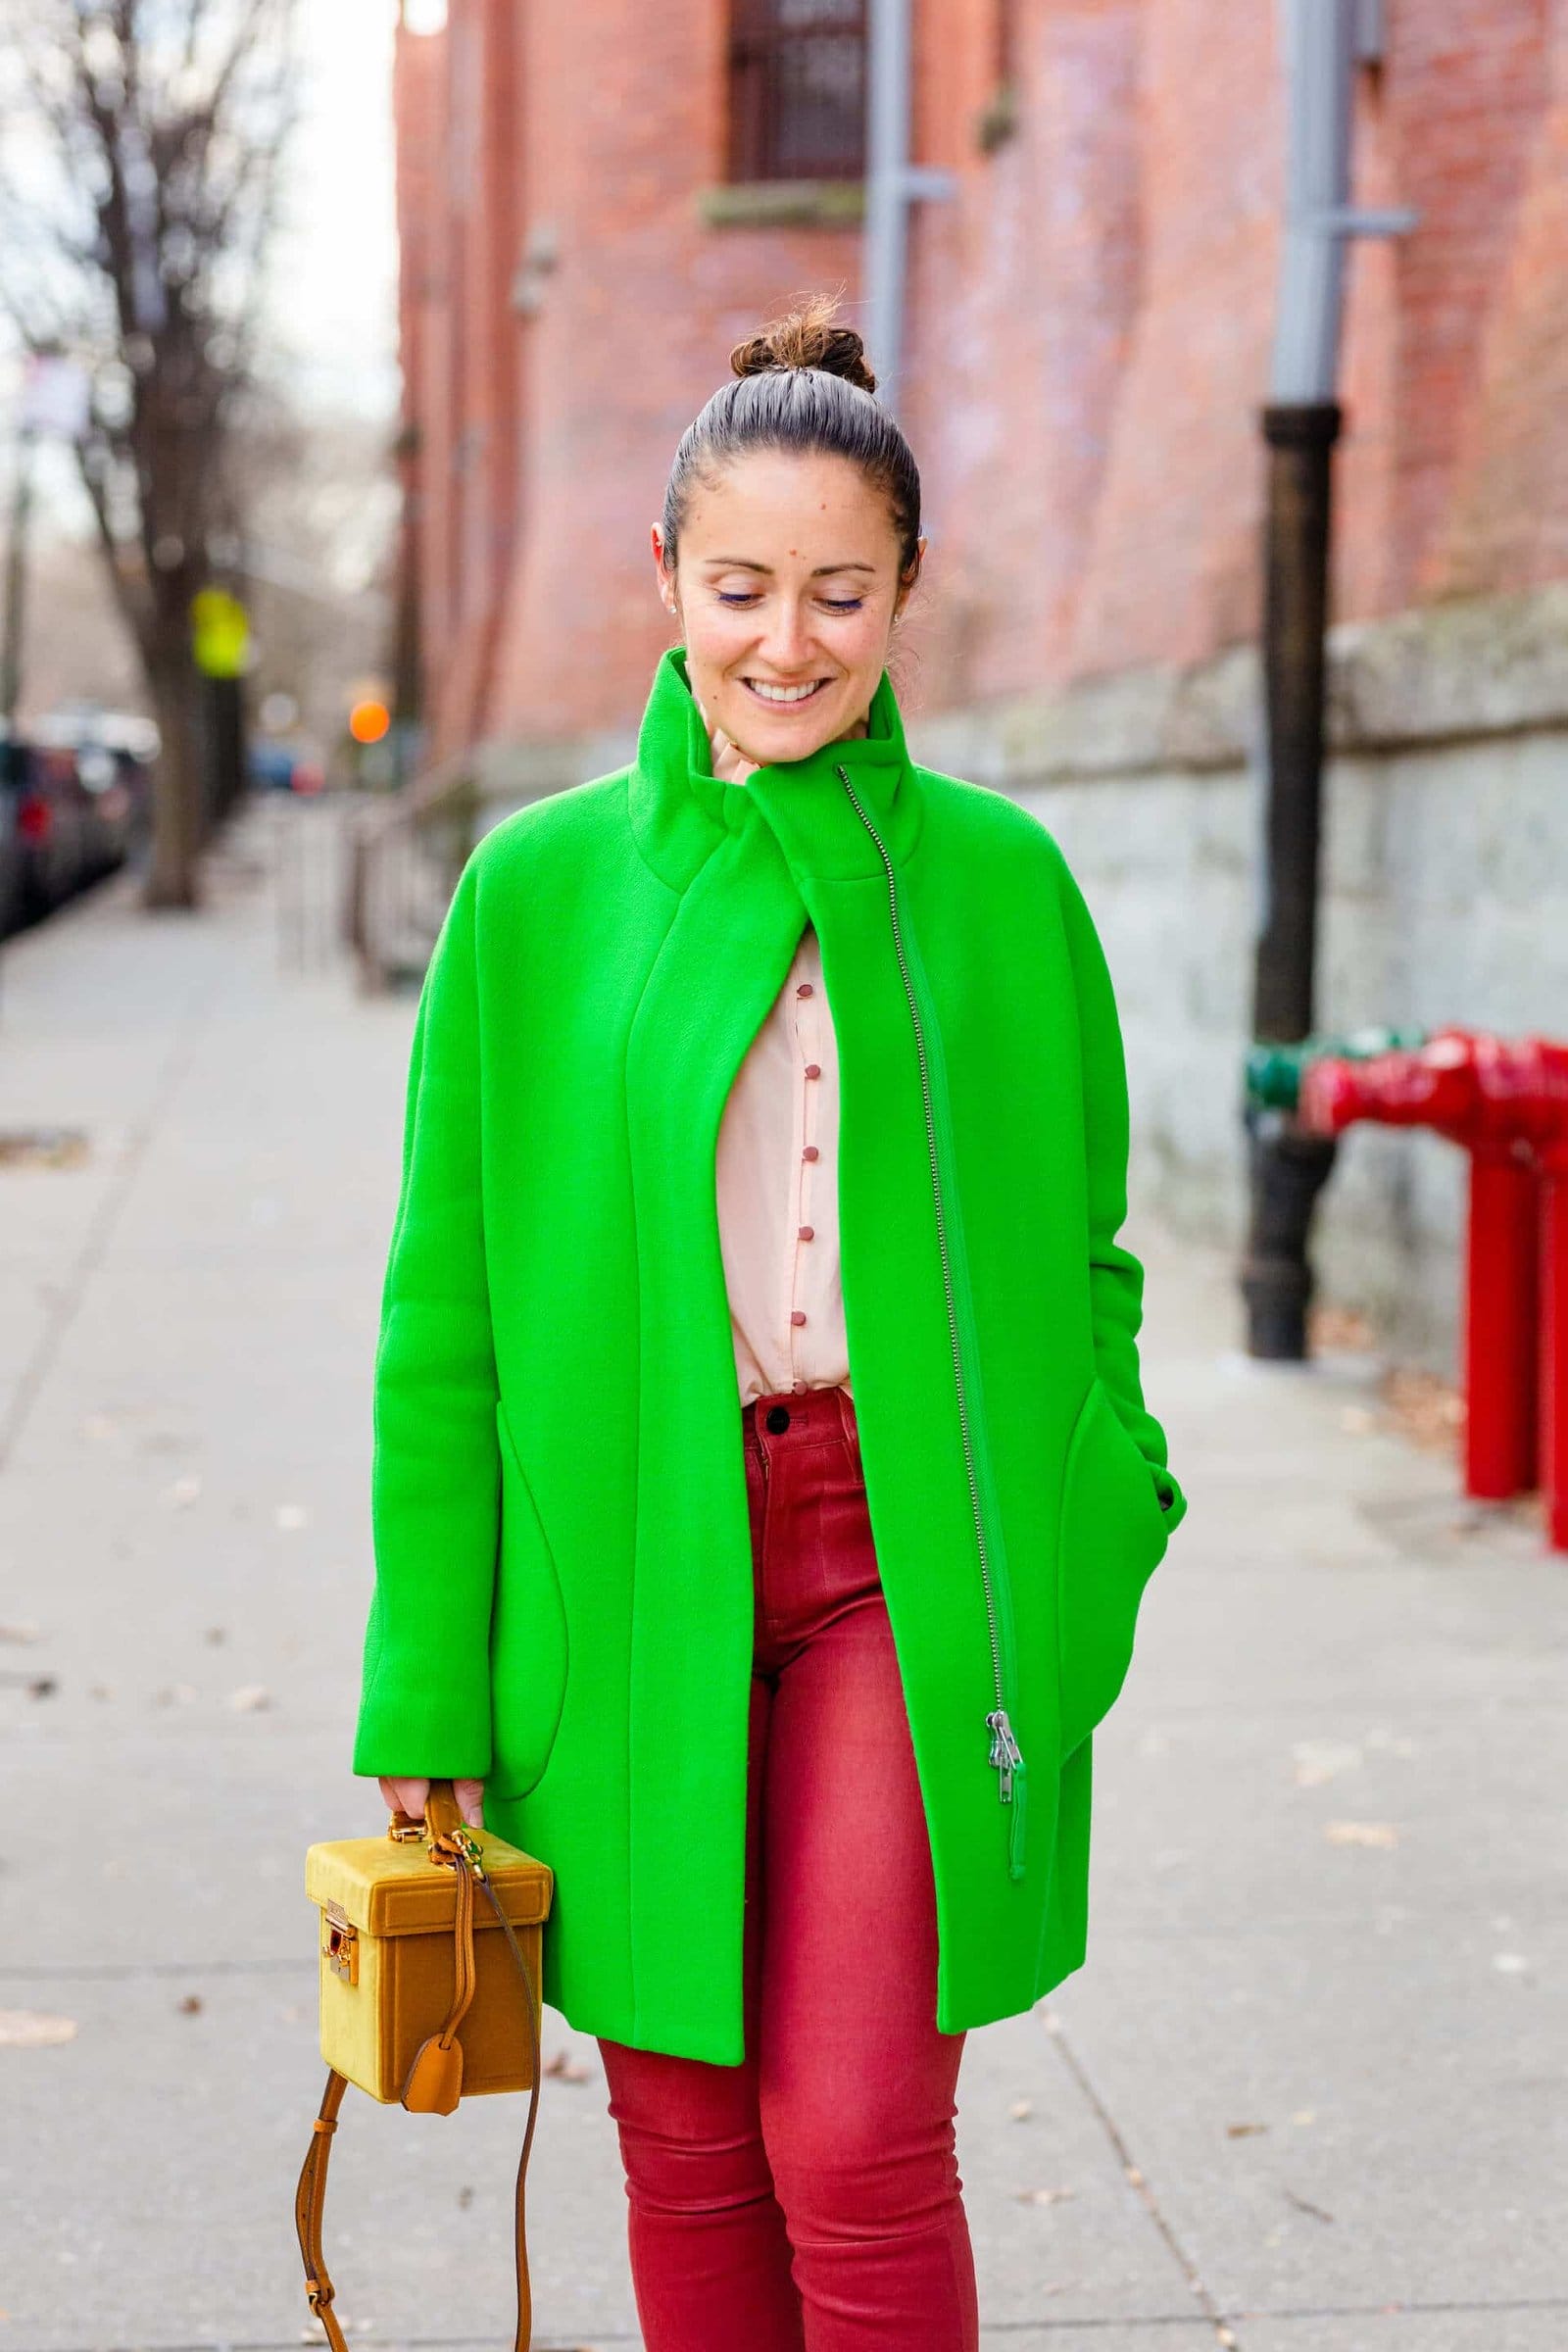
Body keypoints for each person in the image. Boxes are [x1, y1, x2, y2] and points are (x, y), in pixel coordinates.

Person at [357, 291, 1188, 2352]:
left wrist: (1100, 1512)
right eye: (736, 588)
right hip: (624, 1577)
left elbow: (1087, 1243)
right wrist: (423, 1701)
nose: (784, 641)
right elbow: (441, 1326)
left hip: (903, 1576)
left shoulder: (1001, 884)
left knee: (853, 2144)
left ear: (909, 590)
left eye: (837, 591)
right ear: (659, 582)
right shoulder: (532, 896)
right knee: (684, 2143)